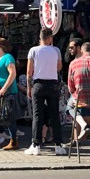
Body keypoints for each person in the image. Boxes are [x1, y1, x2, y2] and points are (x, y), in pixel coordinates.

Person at [26, 28, 63, 156]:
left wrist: (29, 88)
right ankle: (58, 144)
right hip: (53, 83)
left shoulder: (33, 51)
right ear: (50, 38)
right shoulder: (56, 50)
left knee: (37, 115)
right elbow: (59, 67)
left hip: (38, 83)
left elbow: (29, 71)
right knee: (54, 115)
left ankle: (36, 145)